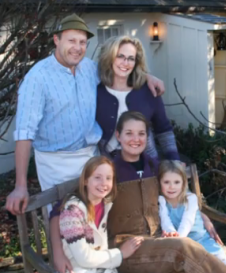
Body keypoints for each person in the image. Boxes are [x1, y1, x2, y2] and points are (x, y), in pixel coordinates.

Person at [6, 14, 165, 216]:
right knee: (65, 219)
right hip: (56, 162)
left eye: (82, 42)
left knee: (99, 217)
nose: (77, 47)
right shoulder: (37, 79)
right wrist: (21, 186)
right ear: (57, 40)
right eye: (71, 40)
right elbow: (24, 133)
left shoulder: (89, 69)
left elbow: (119, 70)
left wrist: (148, 77)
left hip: (92, 156)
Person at [107, 111, 226, 273]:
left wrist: (203, 216)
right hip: (129, 248)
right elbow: (77, 201)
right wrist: (63, 253)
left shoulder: (155, 168)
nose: (135, 139)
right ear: (118, 136)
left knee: (185, 251)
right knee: (182, 247)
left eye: (141, 133)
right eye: (129, 133)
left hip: (159, 242)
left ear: (147, 137)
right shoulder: (109, 171)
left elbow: (181, 196)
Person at [96, 35, 179, 160]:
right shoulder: (96, 91)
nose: (126, 63)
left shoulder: (148, 90)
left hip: (146, 166)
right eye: (120, 56)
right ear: (109, 57)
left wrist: (174, 161)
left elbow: (163, 130)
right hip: (107, 166)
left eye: (131, 58)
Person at [59, 156, 144, 273]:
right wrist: (120, 253)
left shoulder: (106, 203)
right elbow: (83, 258)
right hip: (78, 269)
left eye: (108, 178)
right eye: (97, 177)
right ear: (85, 180)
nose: (104, 183)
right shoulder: (71, 212)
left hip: (103, 267)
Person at [158, 160, 226, 268]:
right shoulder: (162, 201)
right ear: (160, 182)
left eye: (176, 182)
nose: (172, 187)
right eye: (166, 182)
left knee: (223, 267)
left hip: (202, 241)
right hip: (180, 247)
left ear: (183, 183)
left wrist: (178, 239)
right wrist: (173, 236)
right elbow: (165, 222)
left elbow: (187, 222)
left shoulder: (190, 198)